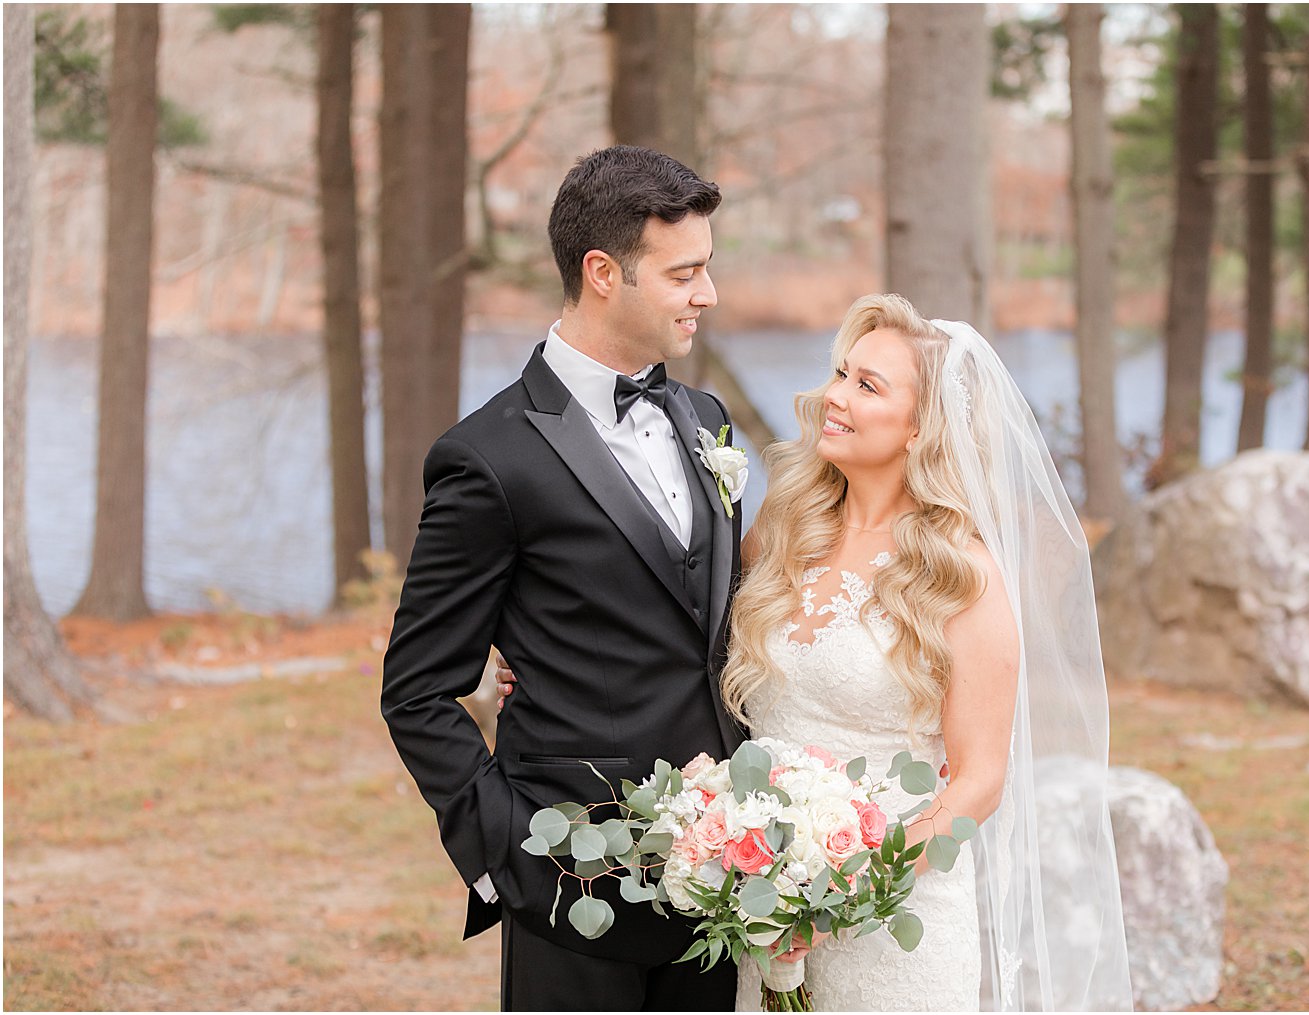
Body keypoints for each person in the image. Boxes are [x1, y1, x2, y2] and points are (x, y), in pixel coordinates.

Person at [380, 145, 746, 1011]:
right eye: (685, 271)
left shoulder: (705, 417)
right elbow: (417, 689)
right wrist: (509, 853)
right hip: (575, 890)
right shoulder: (490, 457)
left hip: (729, 875)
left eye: (709, 267)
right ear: (603, 273)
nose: (709, 294)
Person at [721, 294, 1133, 1010]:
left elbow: (979, 781)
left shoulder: (960, 575)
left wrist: (842, 891)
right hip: (764, 907)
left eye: (867, 386)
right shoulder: (783, 528)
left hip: (894, 922)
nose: (834, 397)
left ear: (921, 428)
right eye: (842, 373)